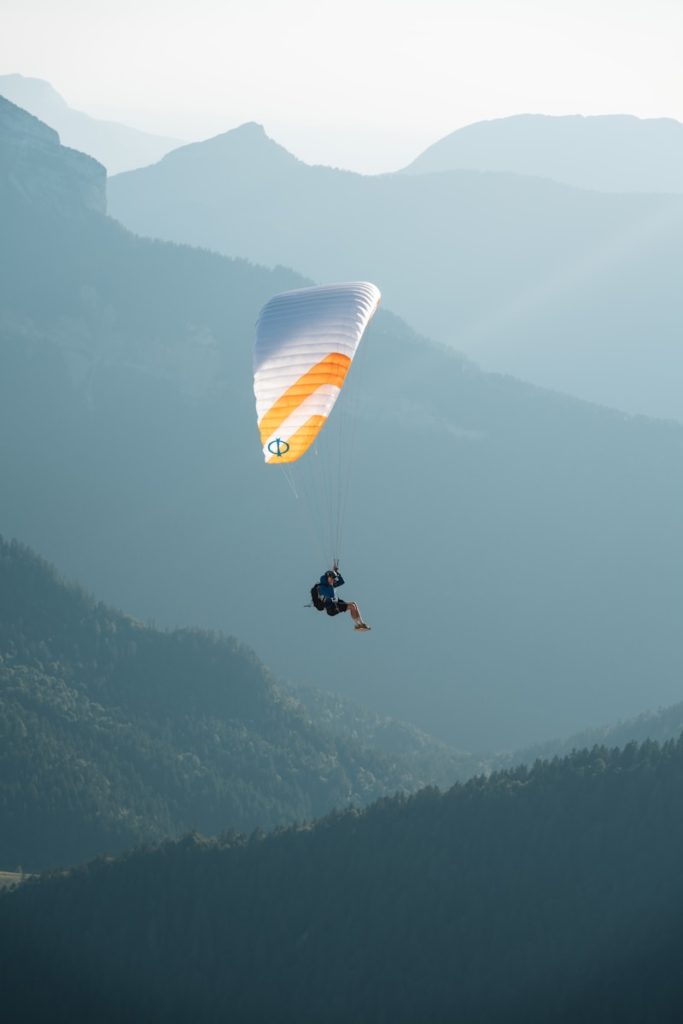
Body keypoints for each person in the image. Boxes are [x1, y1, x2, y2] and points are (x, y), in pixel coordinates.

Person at [315, 566, 370, 631]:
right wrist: (331, 584)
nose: (334, 580)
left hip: (336, 603)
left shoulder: (331, 584)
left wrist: (337, 572)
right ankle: (358, 625)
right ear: (328, 578)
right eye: (332, 578)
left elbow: (341, 581)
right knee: (352, 606)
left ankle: (362, 623)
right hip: (332, 608)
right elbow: (331, 594)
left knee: (354, 603)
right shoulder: (322, 587)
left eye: (334, 579)